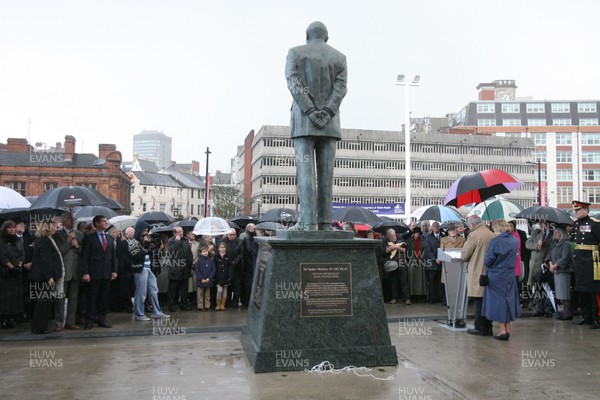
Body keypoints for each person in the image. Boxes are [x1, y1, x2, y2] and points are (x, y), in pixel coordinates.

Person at [285, 21, 347, 231]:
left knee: (305, 173)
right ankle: (324, 223)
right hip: (329, 125)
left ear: (307, 36)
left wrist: (310, 110)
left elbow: (294, 83)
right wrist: (328, 111)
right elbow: (340, 87)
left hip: (304, 123)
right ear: (326, 37)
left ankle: (308, 223)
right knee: (326, 176)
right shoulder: (339, 57)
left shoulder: (295, 53)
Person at [481, 219, 521, 340]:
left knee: (499, 302)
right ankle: (507, 329)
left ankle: (502, 331)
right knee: (508, 300)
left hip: (496, 275)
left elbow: (488, 260)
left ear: (498, 229)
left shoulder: (496, 241)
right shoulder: (514, 239)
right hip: (509, 274)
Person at [80, 215, 118, 330]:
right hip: (94, 273)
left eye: (106, 221)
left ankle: (102, 319)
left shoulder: (110, 238)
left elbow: (113, 256)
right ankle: (90, 320)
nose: (106, 223)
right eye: (103, 221)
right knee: (92, 298)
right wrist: (85, 272)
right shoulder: (89, 238)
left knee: (104, 298)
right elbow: (85, 256)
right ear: (96, 223)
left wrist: (114, 270)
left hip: (107, 273)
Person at [125, 224, 169, 321]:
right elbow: (135, 255)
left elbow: (149, 253)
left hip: (148, 268)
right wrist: (146, 245)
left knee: (154, 291)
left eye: (147, 230)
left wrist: (151, 246)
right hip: (140, 269)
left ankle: (157, 312)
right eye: (144, 230)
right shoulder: (134, 242)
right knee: (141, 293)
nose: (146, 232)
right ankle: (139, 314)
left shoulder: (145, 241)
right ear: (139, 231)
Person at [461, 215, 495, 336]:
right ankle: (488, 326)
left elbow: (464, 255)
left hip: (477, 271)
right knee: (487, 300)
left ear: (472, 224)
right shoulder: (491, 233)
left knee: (478, 300)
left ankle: (480, 327)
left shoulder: (474, 235)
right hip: (490, 272)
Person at [30, 220, 63, 334]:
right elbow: (46, 260)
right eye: (53, 226)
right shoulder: (44, 241)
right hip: (44, 277)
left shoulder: (46, 239)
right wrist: (50, 276)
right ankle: (39, 327)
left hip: (44, 276)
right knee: (43, 303)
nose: (56, 228)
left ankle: (40, 325)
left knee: (44, 302)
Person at [571, 200, 600, 329]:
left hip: (592, 260)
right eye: (575, 210)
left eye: (578, 210)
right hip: (580, 261)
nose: (575, 212)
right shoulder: (576, 224)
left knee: (593, 290)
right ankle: (586, 316)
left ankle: (596, 319)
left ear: (586, 210)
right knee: (582, 289)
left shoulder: (595, 224)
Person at [53, 213, 83, 330]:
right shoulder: (58, 234)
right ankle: (58, 323)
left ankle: (70, 321)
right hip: (63, 271)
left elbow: (82, 251)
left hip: (75, 271)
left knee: (73, 299)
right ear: (65, 221)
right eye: (71, 220)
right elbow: (58, 252)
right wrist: (69, 242)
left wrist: (77, 246)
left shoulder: (79, 234)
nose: (73, 221)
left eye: (74, 219)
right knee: (60, 299)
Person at [526, 220, 555, 317]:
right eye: (541, 223)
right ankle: (538, 308)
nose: (543, 225)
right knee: (536, 286)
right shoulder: (536, 233)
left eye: (545, 223)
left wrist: (547, 261)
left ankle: (548, 308)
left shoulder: (552, 235)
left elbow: (552, 249)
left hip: (544, 264)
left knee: (545, 286)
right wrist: (537, 245)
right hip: (534, 263)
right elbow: (528, 244)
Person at [0, 220, 25, 329]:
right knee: (6, 297)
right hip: (6, 273)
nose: (12, 229)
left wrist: (19, 265)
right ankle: (3, 318)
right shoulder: (1, 240)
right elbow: (2, 256)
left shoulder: (18, 240)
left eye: (14, 227)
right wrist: (11, 267)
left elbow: (22, 253)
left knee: (15, 296)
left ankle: (12, 317)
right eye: (9, 227)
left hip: (17, 272)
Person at [548, 227, 574, 320]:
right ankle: (563, 312)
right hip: (556, 270)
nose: (555, 234)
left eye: (557, 233)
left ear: (562, 234)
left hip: (564, 270)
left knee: (564, 292)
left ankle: (567, 313)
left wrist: (555, 266)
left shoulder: (566, 244)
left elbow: (565, 258)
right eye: (555, 233)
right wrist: (551, 264)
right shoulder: (554, 244)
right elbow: (549, 256)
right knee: (560, 292)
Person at [167, 226, 193, 312]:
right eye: (179, 232)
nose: (181, 233)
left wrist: (190, 263)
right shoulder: (171, 240)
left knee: (184, 289)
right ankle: (171, 305)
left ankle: (183, 304)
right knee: (173, 289)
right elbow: (172, 251)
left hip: (185, 269)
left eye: (182, 231)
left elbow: (189, 253)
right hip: (175, 268)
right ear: (174, 233)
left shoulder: (185, 240)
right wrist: (177, 241)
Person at [382, 228, 408, 304]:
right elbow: (383, 252)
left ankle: (406, 298)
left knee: (404, 281)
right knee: (393, 282)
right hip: (391, 264)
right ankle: (394, 298)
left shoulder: (401, 240)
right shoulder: (385, 242)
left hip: (401, 262)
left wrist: (396, 247)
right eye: (391, 236)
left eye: (394, 235)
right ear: (388, 236)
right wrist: (388, 250)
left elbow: (405, 250)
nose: (393, 237)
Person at [224, 228, 243, 309]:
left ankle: (235, 302)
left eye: (233, 235)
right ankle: (227, 301)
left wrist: (235, 262)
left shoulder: (240, 241)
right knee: (227, 285)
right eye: (230, 235)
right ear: (227, 235)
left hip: (236, 267)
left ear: (236, 235)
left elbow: (241, 253)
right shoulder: (224, 241)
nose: (231, 236)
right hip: (227, 266)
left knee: (236, 286)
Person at [239, 224, 256, 307]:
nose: (255, 229)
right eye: (254, 228)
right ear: (249, 229)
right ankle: (246, 301)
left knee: (245, 283)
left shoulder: (244, 235)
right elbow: (249, 250)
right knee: (247, 283)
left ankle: (244, 300)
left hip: (245, 263)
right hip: (247, 263)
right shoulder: (247, 236)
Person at [195, 246, 215, 311]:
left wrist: (209, 278)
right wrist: (201, 279)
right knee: (200, 294)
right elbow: (197, 270)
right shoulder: (198, 260)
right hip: (200, 280)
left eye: (206, 251)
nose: (205, 253)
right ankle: (200, 306)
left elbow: (213, 270)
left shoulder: (211, 260)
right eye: (203, 251)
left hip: (208, 280)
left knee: (207, 294)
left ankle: (207, 306)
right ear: (200, 253)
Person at [214, 241, 232, 311]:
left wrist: (230, 275)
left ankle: (222, 304)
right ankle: (218, 304)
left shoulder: (228, 256)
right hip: (218, 276)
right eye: (221, 247)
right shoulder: (216, 256)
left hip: (226, 276)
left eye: (224, 247)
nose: (222, 249)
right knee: (219, 290)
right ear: (218, 248)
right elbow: (214, 266)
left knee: (225, 291)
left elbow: (230, 266)